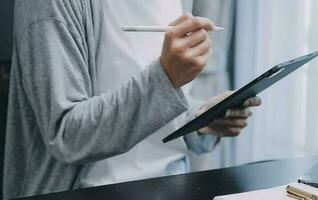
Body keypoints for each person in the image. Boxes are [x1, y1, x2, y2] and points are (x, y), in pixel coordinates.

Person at [3, 0, 261, 199]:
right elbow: (66, 135)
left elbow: (159, 101)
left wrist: (200, 117)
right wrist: (166, 77)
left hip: (173, 184)